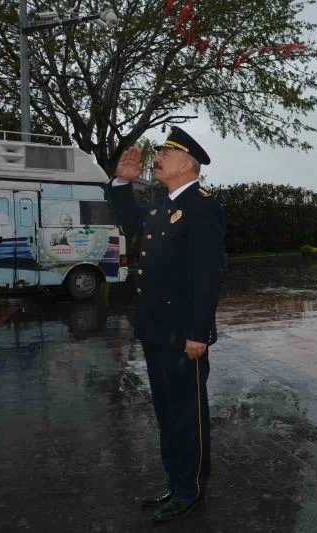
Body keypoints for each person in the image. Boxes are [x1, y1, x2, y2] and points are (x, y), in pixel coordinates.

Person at [108, 126, 225, 522]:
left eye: (164, 152)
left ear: (186, 164)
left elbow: (208, 273)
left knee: (186, 413)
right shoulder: (162, 205)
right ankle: (175, 484)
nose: (155, 158)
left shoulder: (202, 205)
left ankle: (190, 489)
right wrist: (122, 183)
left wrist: (198, 332)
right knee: (165, 410)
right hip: (155, 327)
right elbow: (130, 223)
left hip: (183, 332)